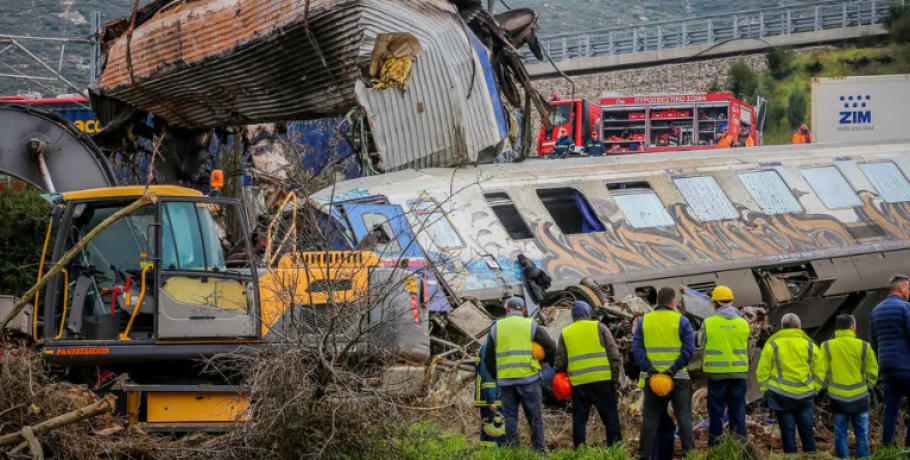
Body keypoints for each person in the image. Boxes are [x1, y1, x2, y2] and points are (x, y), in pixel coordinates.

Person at [483, 297, 556, 451]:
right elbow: (550, 347)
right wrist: (545, 363)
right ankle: (539, 451)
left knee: (510, 418)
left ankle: (514, 451)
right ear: (523, 311)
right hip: (529, 379)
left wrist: (498, 375)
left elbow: (488, 358)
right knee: (535, 418)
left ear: (507, 310)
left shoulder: (496, 328)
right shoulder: (531, 325)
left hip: (506, 381)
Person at [634, 287, 696, 460]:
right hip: (678, 378)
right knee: (684, 419)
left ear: (658, 302)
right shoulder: (682, 321)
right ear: (672, 302)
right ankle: (690, 455)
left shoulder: (644, 321)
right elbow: (689, 349)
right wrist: (672, 369)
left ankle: (644, 456)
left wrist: (650, 368)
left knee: (650, 420)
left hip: (653, 379)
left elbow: (637, 349)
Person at [554, 301, 623, 449]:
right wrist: (615, 379)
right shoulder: (599, 327)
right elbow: (614, 355)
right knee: (610, 419)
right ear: (588, 312)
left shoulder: (565, 333)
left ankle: (580, 451)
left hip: (579, 383)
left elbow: (560, 362)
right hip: (602, 381)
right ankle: (616, 450)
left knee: (579, 420)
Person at [757, 313, 826, 454]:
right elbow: (820, 370)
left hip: (780, 396)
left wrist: (767, 390)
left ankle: (790, 457)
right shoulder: (810, 345)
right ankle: (811, 456)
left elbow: (762, 371)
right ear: (799, 326)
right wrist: (815, 389)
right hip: (805, 395)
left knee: (787, 432)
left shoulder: (772, 345)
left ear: (782, 328)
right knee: (807, 430)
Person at [696, 286, 750, 446]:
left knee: (716, 412)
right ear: (732, 302)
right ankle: (739, 447)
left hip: (716, 375)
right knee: (738, 411)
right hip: (738, 374)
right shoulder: (743, 323)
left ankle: (716, 447)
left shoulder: (709, 323)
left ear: (714, 305)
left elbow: (700, 342)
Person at [823, 314, 878, 459]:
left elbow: (821, 371)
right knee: (862, 434)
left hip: (837, 397)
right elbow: (872, 371)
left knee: (840, 434)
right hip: (860, 397)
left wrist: (825, 387)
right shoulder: (864, 346)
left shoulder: (827, 346)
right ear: (853, 327)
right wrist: (868, 387)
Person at [870, 274, 910, 447]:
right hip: (906, 366)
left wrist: (883, 360)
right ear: (901, 288)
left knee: (891, 407)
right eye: (909, 288)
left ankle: (888, 446)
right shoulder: (905, 308)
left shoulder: (876, 311)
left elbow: (873, 341)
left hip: (886, 367)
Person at [475, 337, 505, 447]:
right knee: (491, 432)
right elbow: (487, 375)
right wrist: (491, 399)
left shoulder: (491, 345)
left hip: (494, 396)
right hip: (491, 398)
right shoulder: (489, 347)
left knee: (498, 432)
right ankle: (490, 455)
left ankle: (498, 455)